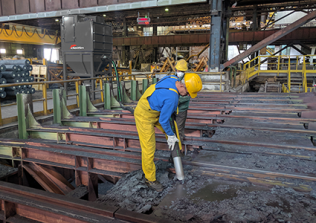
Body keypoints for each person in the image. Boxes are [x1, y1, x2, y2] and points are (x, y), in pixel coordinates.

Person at [134, 73, 202, 192]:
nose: (188, 96)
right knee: (149, 148)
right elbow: (163, 120)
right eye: (188, 93)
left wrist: (171, 134)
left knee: (174, 133)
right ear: (182, 86)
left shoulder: (173, 78)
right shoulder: (172, 98)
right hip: (144, 115)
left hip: (156, 111)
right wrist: (170, 135)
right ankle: (150, 179)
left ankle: (176, 158)